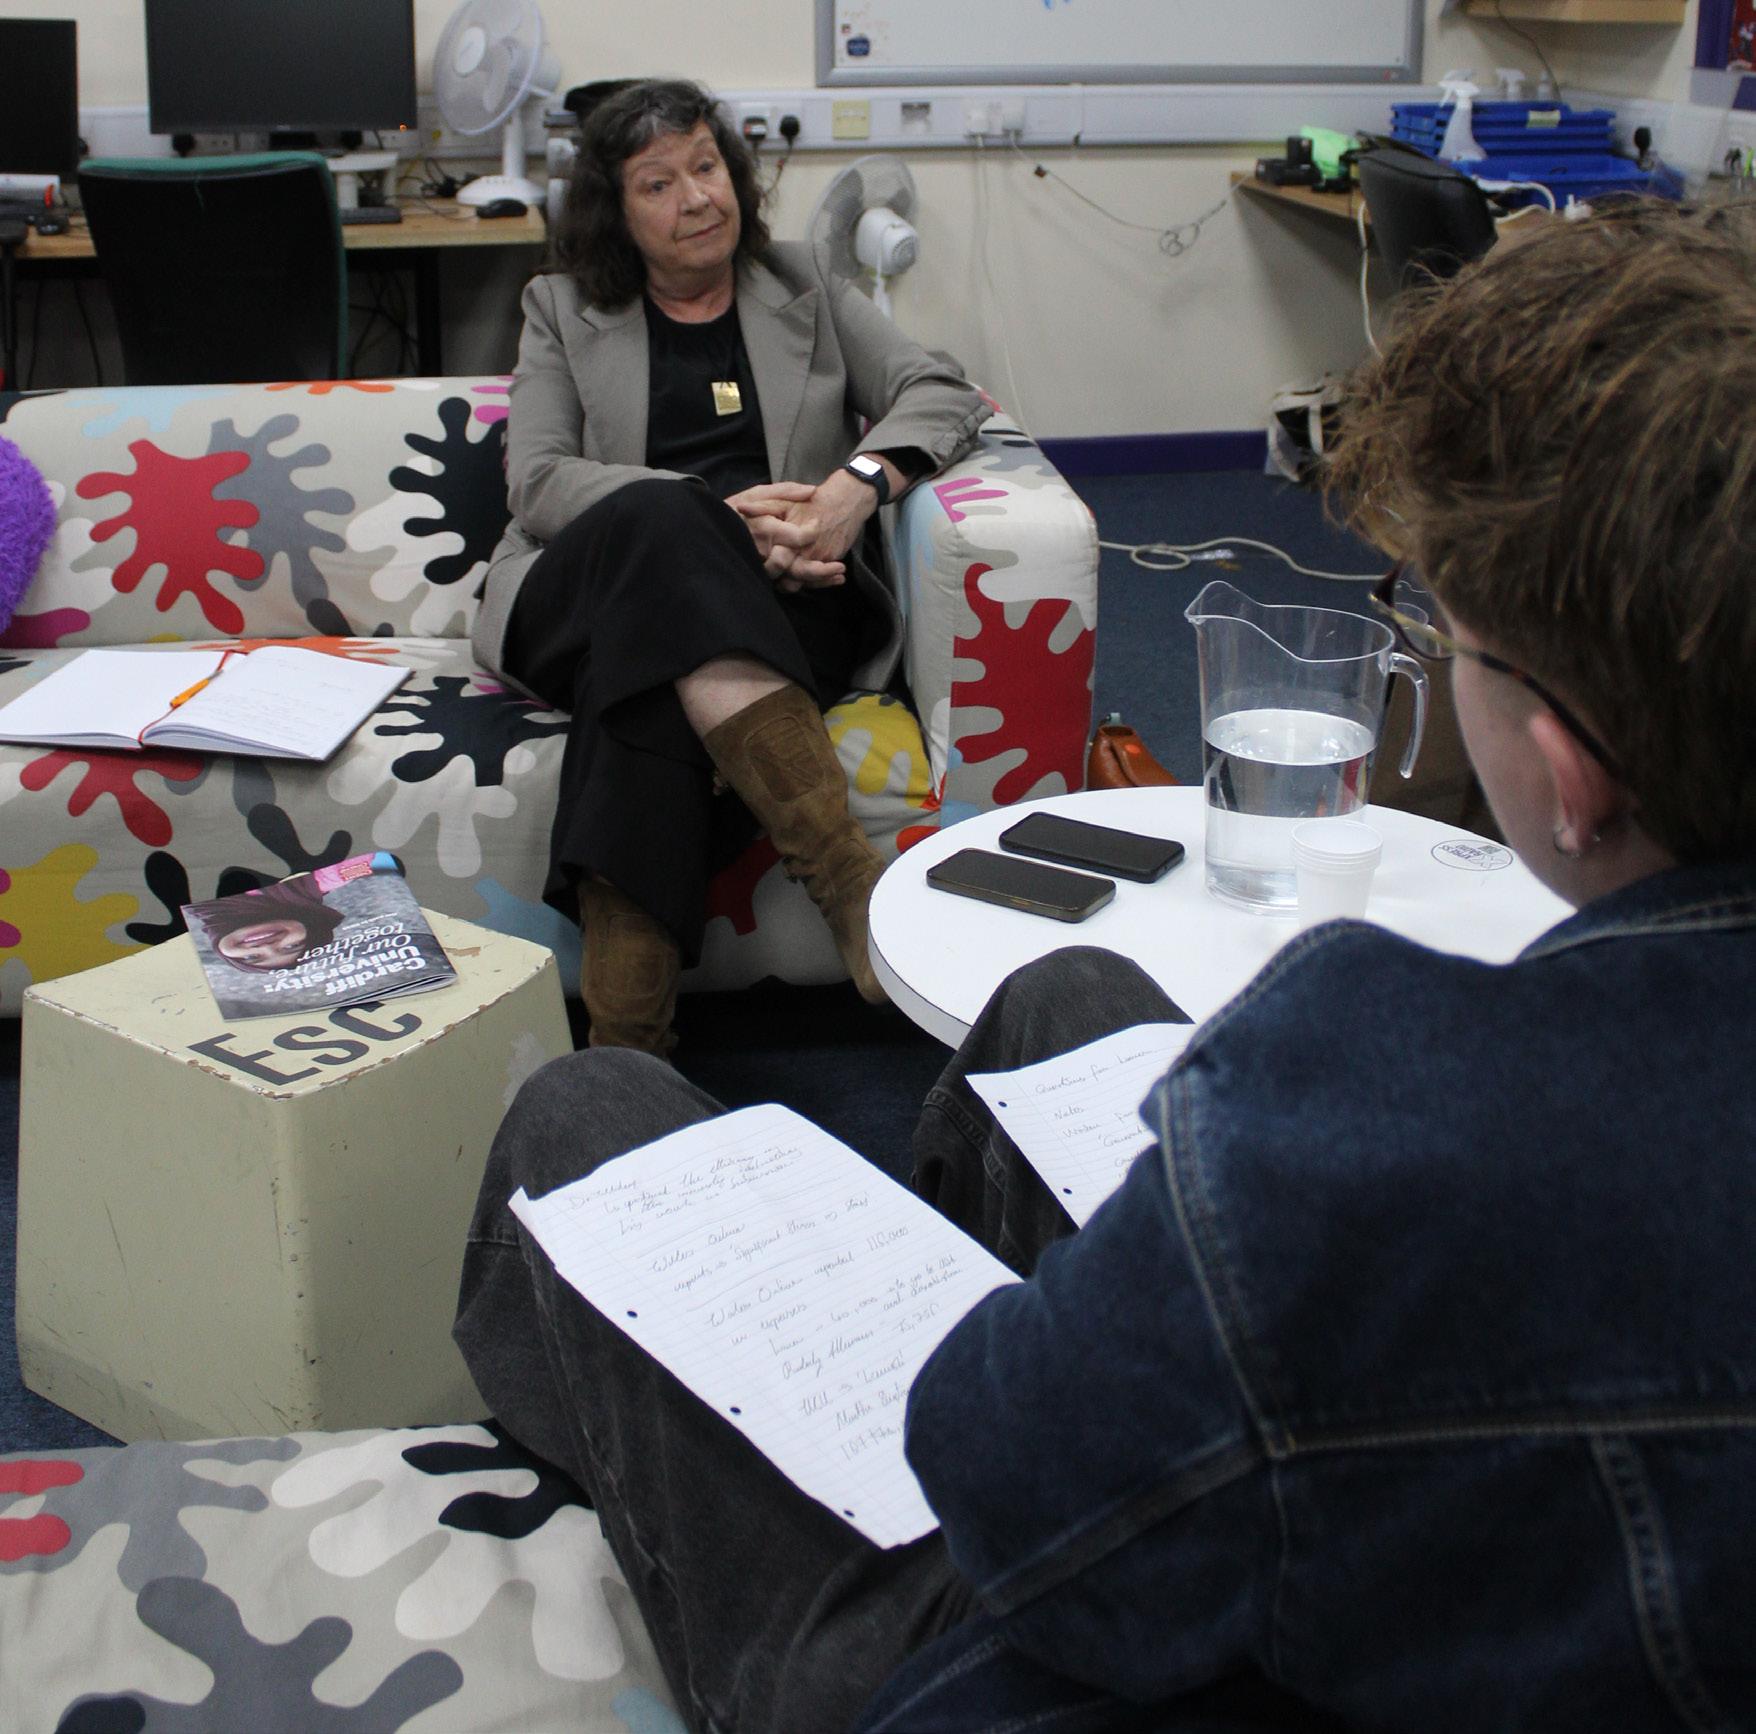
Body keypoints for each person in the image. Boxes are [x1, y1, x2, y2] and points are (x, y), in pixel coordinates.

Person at [455, 198, 1756, 1731]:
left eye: (1440, 628)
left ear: (1569, 772)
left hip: (1041, 1643)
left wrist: (1076, 1319)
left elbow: (997, 1485)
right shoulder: (1369, 1100)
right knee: (1066, 998)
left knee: (585, 1110)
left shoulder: (1366, 1088)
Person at [472, 79, 988, 1055]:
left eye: (706, 167)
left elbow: (940, 389)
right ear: (617, 214)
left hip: (785, 592)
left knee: (645, 692)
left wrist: (852, 490)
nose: (697, 198)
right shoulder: (560, 306)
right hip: (579, 591)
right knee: (668, 519)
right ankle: (849, 884)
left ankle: (626, 1050)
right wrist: (709, 516)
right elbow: (537, 480)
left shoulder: (804, 281)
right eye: (658, 184)